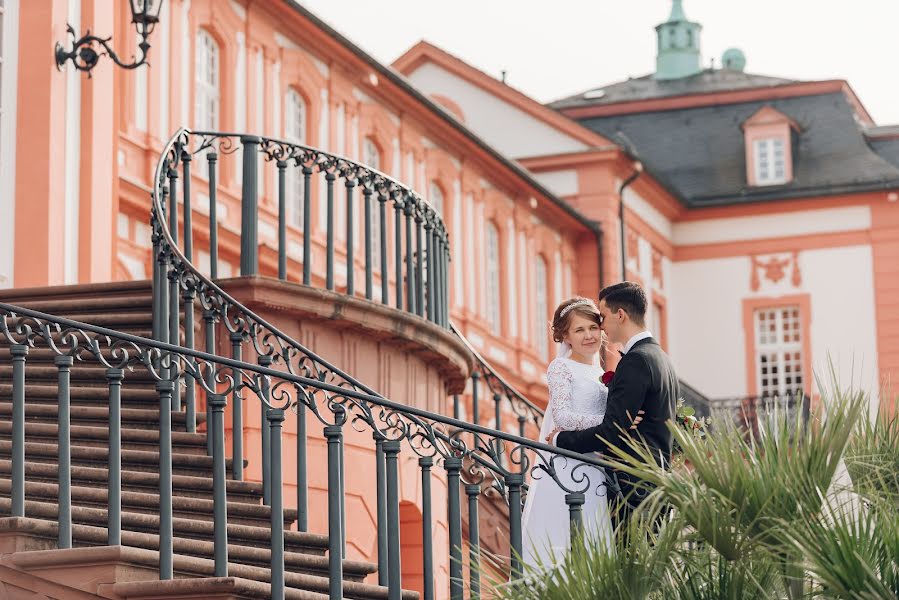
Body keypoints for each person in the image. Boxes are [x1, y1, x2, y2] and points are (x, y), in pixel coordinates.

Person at [551, 282, 679, 534]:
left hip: (633, 488)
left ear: (619, 315)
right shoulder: (661, 357)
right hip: (653, 484)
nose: (600, 326)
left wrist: (558, 440)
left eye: (602, 318)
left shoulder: (636, 361)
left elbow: (612, 432)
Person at [520, 297, 618, 567]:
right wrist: (611, 421)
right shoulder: (560, 368)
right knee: (568, 531)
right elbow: (562, 416)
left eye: (592, 327)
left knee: (595, 532)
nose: (588, 335)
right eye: (579, 330)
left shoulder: (601, 372)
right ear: (566, 336)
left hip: (597, 462)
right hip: (571, 463)